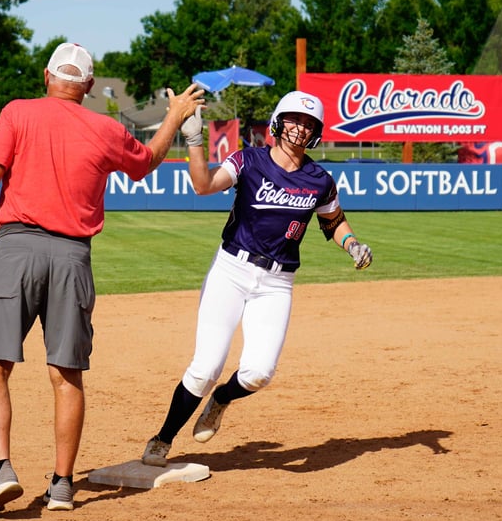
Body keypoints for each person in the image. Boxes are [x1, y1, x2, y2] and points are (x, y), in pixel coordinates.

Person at [0, 42, 204, 516]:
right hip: (72, 257)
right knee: (66, 375)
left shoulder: (18, 112)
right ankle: (63, 485)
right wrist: (175, 115)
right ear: (87, 86)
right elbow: (146, 163)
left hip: (17, 249)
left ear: (47, 77)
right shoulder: (104, 127)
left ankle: (1, 469)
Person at [140, 91, 373, 469]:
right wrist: (194, 140)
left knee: (259, 373)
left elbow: (333, 221)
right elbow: (203, 185)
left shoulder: (319, 179)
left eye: (309, 123)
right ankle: (163, 438)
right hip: (231, 270)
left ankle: (221, 400)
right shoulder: (249, 160)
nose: (301, 128)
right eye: (295, 119)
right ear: (279, 122)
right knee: (205, 368)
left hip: (278, 282)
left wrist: (353, 244)